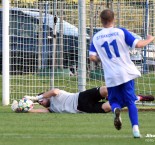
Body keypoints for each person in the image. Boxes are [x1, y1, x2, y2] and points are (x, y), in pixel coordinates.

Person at [89, 9, 155, 138]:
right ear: (114, 19)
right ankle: (136, 130)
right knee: (130, 101)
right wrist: (150, 39)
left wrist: (101, 59)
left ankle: (116, 111)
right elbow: (139, 44)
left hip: (111, 75)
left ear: (101, 21)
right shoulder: (121, 31)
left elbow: (92, 57)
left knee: (113, 100)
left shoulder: (96, 37)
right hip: (126, 73)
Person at [12, 86, 154, 114]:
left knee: (105, 89)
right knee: (107, 107)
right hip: (82, 109)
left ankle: (126, 93)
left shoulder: (54, 94)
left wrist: (37, 97)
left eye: (42, 99)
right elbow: (37, 111)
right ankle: (136, 98)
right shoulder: (51, 109)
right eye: (40, 103)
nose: (41, 103)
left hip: (80, 97)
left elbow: (54, 91)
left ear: (45, 95)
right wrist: (25, 109)